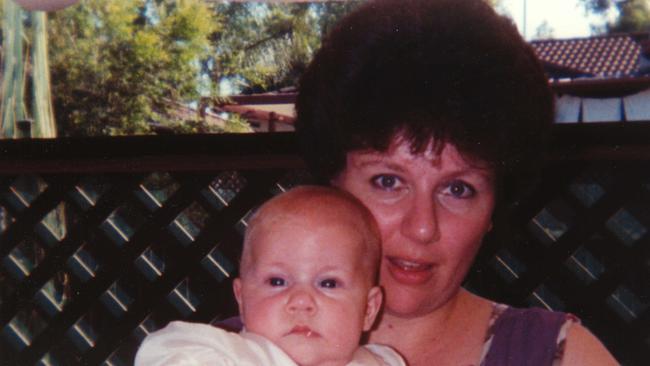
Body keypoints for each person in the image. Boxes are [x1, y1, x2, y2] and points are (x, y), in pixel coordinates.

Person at [292, 0, 619, 365]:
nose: (422, 227)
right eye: (387, 181)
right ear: (331, 184)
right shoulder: (227, 352)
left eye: (458, 189)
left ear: (494, 206)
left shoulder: (562, 357)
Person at [135, 186, 406, 366]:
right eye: (277, 281)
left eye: (328, 283)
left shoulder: (381, 362)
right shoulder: (225, 355)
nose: (301, 301)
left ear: (369, 309)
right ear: (242, 298)